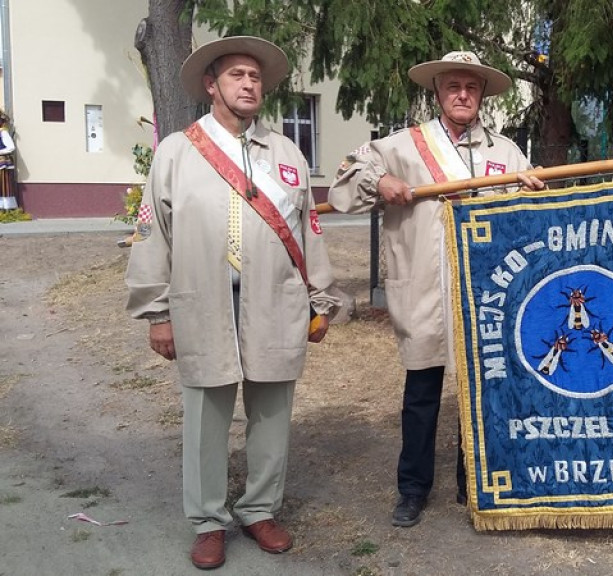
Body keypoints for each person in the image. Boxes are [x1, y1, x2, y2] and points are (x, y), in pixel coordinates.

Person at [125, 36, 347, 569]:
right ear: (211, 85)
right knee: (206, 416)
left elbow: (307, 231)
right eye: (236, 75)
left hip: (275, 301)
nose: (249, 84)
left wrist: (320, 301)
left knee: (272, 412)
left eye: (255, 77)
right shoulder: (177, 150)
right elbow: (153, 234)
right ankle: (207, 520)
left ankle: (259, 509)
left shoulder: (287, 153)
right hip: (201, 303)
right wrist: (158, 313)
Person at [329, 51, 544, 528]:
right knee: (422, 392)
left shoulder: (506, 153)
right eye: (453, 86)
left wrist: (530, 195)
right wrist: (380, 179)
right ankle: (413, 488)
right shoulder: (402, 146)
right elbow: (343, 183)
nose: (462, 94)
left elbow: (530, 222)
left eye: (471, 87)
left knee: (485, 390)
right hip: (424, 287)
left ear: (482, 95)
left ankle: (479, 481)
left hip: (487, 293)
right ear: (438, 92)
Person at [0, 112, 16, 209]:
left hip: (2, 163)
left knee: (3, 185)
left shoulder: (3, 132)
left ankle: (6, 208)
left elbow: (11, 147)